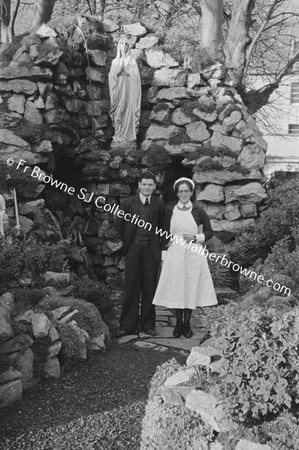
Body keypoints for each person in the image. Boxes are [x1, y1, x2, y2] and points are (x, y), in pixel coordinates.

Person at [153, 177, 218, 338]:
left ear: (191, 193)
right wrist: (164, 254)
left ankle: (187, 324)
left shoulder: (198, 210)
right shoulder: (170, 210)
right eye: (181, 191)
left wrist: (197, 238)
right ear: (177, 193)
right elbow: (164, 234)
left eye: (186, 191)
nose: (184, 194)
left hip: (193, 254)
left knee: (190, 285)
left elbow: (209, 232)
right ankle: (178, 323)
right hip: (175, 252)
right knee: (177, 286)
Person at [115, 171, 165, 337]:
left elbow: (164, 228)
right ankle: (128, 325)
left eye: (150, 184)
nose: (147, 187)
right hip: (133, 249)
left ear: (154, 187)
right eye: (144, 184)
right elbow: (119, 225)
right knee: (131, 287)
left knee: (150, 288)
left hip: (151, 251)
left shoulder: (158, 204)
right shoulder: (128, 203)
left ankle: (148, 325)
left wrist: (160, 247)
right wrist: (128, 242)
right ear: (139, 185)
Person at [108, 37, 141, 143]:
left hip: (129, 88)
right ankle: (118, 132)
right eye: (122, 43)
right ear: (119, 46)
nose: (124, 45)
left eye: (126, 44)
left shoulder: (132, 61)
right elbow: (111, 76)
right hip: (118, 88)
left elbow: (136, 77)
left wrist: (126, 70)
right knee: (118, 109)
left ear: (128, 47)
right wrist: (118, 71)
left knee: (128, 109)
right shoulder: (115, 61)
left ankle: (128, 133)